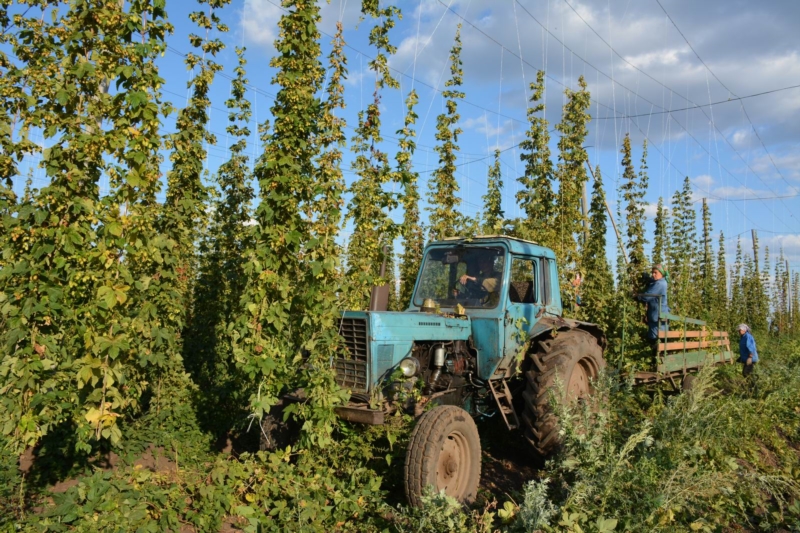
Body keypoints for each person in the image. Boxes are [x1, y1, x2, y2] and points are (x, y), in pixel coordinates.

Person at [636, 264, 670, 348]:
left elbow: (647, 297)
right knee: (659, 339)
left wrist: (637, 296)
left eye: (655, 273)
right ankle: (657, 358)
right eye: (652, 273)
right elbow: (652, 280)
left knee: (656, 340)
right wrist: (647, 278)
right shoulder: (660, 282)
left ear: (661, 273)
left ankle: (656, 359)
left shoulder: (659, 284)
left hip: (658, 316)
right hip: (657, 315)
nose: (653, 275)